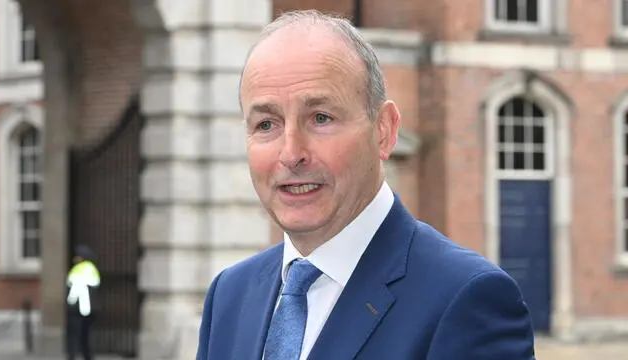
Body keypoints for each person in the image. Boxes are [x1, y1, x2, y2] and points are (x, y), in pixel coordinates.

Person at [196, 10, 536, 360]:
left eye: (321, 118)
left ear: (384, 130)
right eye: (266, 124)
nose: (291, 153)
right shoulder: (229, 296)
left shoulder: (467, 299)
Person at [66, 245, 100, 360]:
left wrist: (70, 303)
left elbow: (74, 290)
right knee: (86, 335)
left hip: (78, 309)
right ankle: (88, 356)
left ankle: (73, 355)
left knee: (75, 335)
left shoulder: (79, 269)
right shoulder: (92, 268)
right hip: (91, 309)